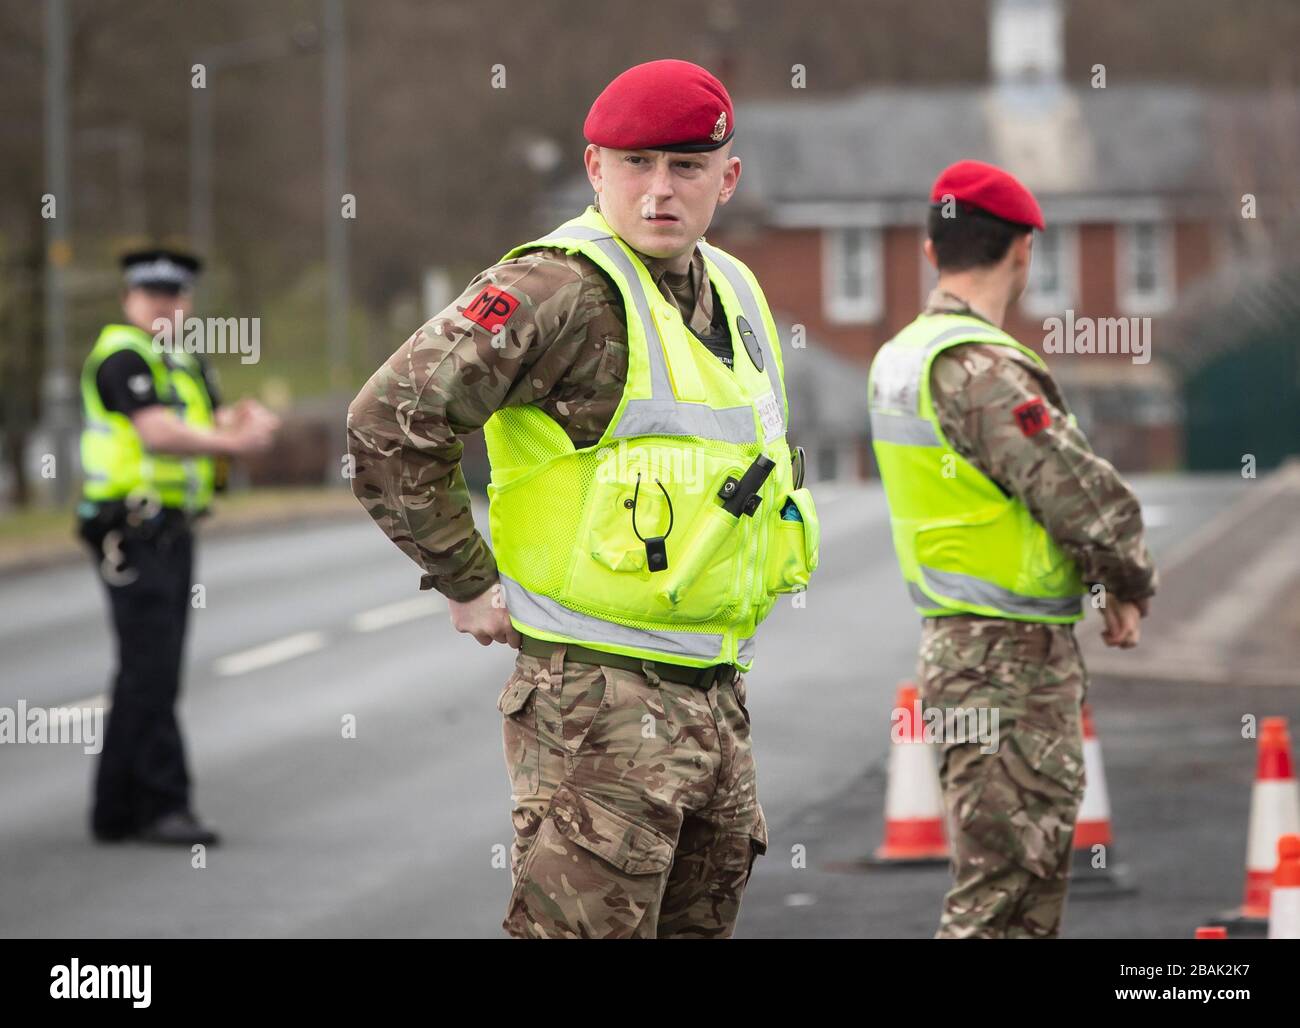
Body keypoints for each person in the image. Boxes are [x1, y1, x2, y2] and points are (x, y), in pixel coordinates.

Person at [348, 60, 819, 938]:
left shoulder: (738, 292)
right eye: (634, 165)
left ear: (729, 176)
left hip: (714, 695)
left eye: (685, 165)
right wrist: (462, 578)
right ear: (594, 168)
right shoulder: (557, 288)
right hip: (595, 701)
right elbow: (389, 418)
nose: (659, 191)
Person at [868, 160, 1157, 938]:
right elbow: (1079, 493)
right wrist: (1127, 581)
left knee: (1006, 887)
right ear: (1024, 250)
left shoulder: (903, 357)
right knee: (1003, 898)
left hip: (959, 653)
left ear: (932, 251)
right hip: (1008, 668)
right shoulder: (979, 369)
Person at [78, 247, 279, 846]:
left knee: (146, 672)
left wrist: (239, 424)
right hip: (130, 532)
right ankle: (164, 804)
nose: (164, 305)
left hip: (171, 530)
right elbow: (158, 433)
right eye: (152, 295)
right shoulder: (122, 355)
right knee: (152, 670)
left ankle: (114, 810)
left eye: (175, 296)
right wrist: (234, 447)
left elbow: (208, 424)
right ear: (129, 299)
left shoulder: (183, 359)